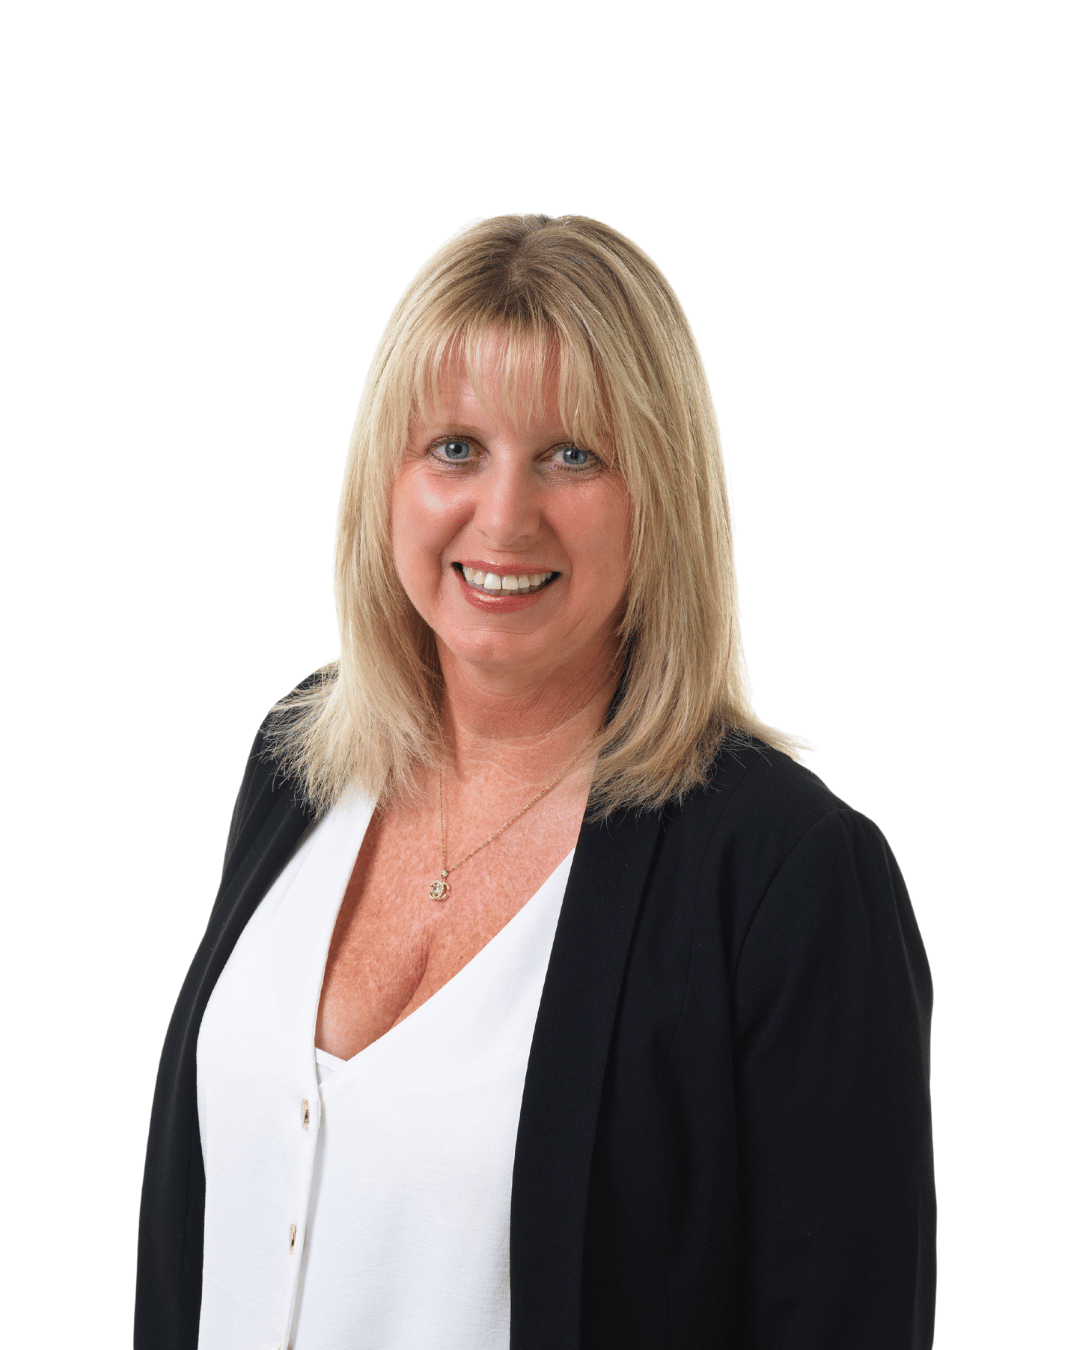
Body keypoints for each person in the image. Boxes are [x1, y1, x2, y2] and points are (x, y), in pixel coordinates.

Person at [135, 214, 935, 1350]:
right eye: (455, 447)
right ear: (387, 478)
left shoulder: (789, 880)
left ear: (661, 493)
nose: (504, 517)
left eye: (573, 456)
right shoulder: (297, 762)